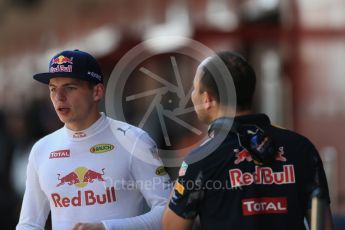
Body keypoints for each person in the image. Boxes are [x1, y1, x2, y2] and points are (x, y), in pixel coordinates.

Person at [162, 51, 334, 230]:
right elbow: (324, 225)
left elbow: (171, 227)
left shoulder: (201, 158)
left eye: (195, 89)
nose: (192, 96)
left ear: (207, 100)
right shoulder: (302, 148)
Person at [16, 49, 172, 230]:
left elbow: (168, 213)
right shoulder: (41, 149)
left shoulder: (134, 140)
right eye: (53, 89)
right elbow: (28, 224)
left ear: (97, 92)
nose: (59, 97)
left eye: (70, 87)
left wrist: (107, 227)